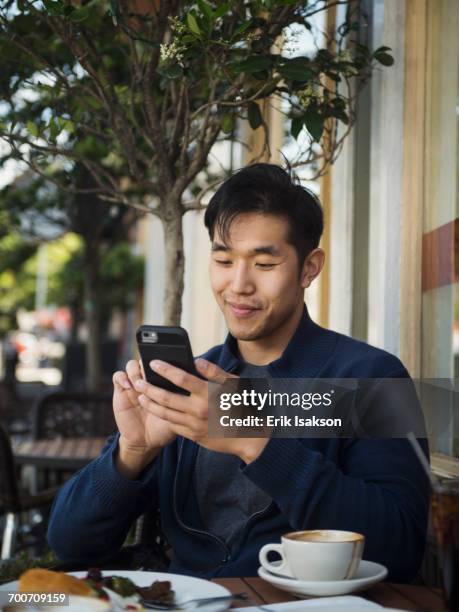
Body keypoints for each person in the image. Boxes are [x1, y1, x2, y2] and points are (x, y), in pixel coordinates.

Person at [47, 163, 429, 581]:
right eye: (224, 259)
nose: (238, 285)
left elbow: (401, 548)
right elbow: (70, 543)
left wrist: (258, 442)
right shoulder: (191, 382)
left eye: (264, 265)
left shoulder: (374, 377)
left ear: (309, 267)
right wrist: (132, 454)